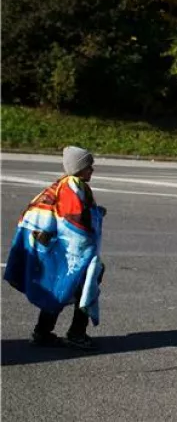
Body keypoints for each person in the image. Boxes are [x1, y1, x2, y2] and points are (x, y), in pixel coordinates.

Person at [4, 146, 106, 351]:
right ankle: (76, 334)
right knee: (84, 286)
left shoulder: (64, 185)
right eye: (88, 166)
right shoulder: (72, 187)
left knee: (58, 287)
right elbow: (74, 224)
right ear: (79, 168)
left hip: (55, 249)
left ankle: (42, 332)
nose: (92, 170)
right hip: (71, 252)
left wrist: (96, 213)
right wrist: (87, 251)